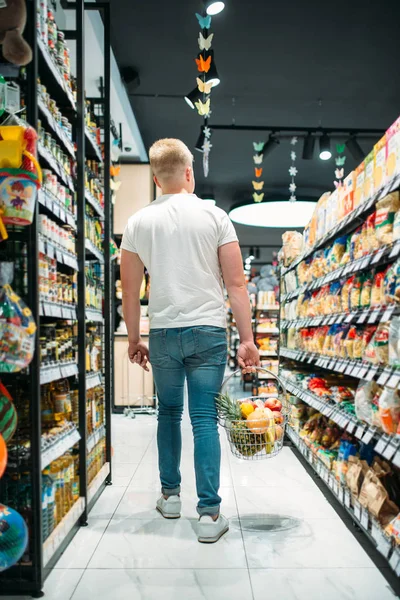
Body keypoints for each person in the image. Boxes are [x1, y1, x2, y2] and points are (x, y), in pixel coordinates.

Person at [120, 138, 260, 543]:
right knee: (203, 420)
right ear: (188, 172)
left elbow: (130, 291)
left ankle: (169, 497)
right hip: (209, 333)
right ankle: (209, 515)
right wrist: (247, 340)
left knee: (167, 415)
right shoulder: (215, 216)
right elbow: (236, 285)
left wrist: (134, 338)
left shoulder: (137, 223)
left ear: (154, 177)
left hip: (163, 333)